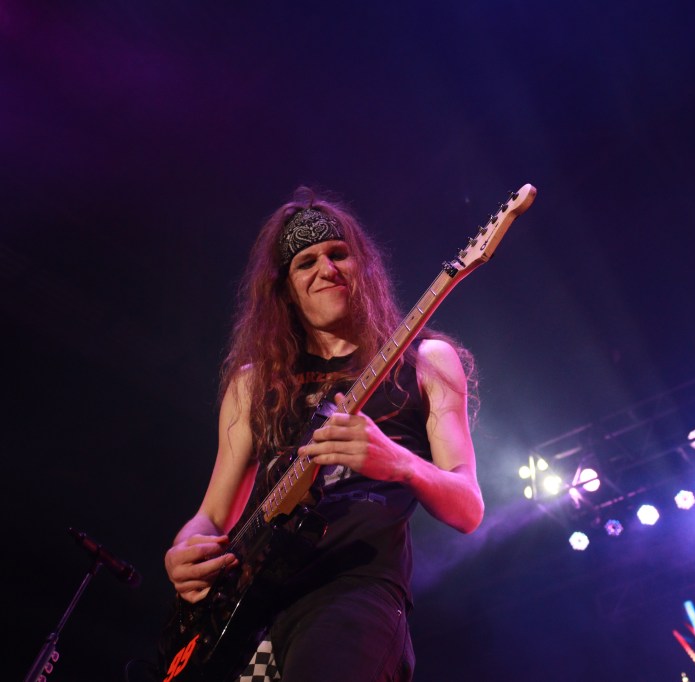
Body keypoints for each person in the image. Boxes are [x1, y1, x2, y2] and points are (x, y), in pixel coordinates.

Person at [162, 185, 485, 682]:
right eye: (305, 262)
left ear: (365, 267)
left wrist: (398, 462)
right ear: (286, 289)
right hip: (250, 607)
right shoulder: (255, 382)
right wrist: (184, 551)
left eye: (339, 254)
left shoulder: (425, 361)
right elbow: (212, 516)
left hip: (354, 592)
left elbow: (468, 508)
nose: (326, 269)